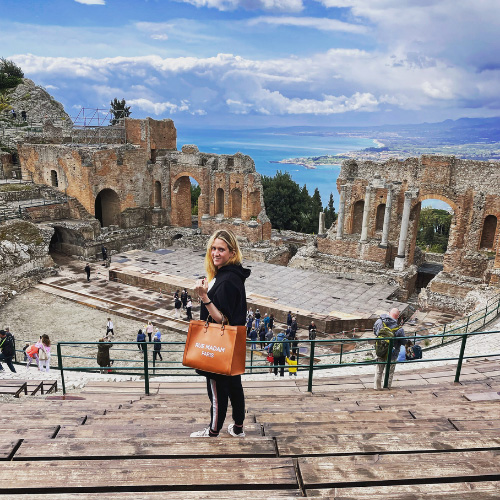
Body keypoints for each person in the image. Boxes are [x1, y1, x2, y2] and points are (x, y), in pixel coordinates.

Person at [190, 229, 250, 438]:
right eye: (213, 248)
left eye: (221, 249)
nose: (215, 253)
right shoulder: (232, 274)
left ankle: (213, 431)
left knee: (216, 390)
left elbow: (222, 318)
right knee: (235, 385)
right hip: (234, 341)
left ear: (232, 252)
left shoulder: (226, 280)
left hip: (219, 343)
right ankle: (238, 428)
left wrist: (204, 297)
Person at [373, 308, 406, 390]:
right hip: (392, 353)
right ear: (397, 317)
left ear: (388, 313)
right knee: (389, 372)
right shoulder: (399, 329)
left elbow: (375, 332)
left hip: (381, 351)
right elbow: (403, 341)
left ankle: (376, 388)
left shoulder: (379, 322)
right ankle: (386, 388)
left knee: (378, 371)